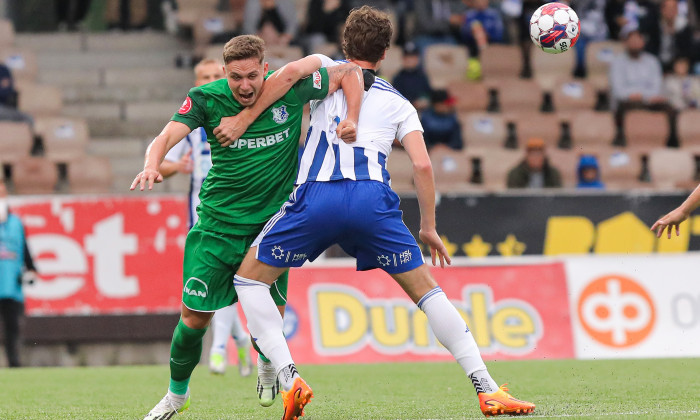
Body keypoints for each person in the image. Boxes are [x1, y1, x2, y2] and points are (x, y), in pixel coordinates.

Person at [218, 6, 535, 419]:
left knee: (248, 279)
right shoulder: (400, 103)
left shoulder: (325, 73)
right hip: (373, 203)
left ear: (344, 43)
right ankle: (486, 387)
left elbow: (288, 75)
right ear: (385, 54)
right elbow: (422, 165)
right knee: (428, 292)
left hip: (317, 197)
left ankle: (289, 375)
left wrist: (243, 118)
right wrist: (429, 227)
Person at [133, 35, 363, 419]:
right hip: (218, 225)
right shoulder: (206, 98)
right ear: (225, 73)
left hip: (272, 227)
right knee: (193, 320)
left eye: (252, 76)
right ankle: (176, 396)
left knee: (269, 313)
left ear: (265, 70)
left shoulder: (292, 90)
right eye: (236, 77)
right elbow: (166, 136)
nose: (244, 86)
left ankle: (268, 364)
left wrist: (352, 117)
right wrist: (152, 163)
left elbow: (351, 72)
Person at [160, 58, 252, 377]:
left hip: (240, 213)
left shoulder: (245, 115)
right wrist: (177, 167)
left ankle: (219, 348)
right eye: (205, 77)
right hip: (202, 218)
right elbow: (160, 162)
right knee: (220, 286)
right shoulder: (189, 125)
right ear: (196, 83)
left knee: (230, 284)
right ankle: (237, 341)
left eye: (217, 75)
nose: (212, 81)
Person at [609, 26, 679, 147]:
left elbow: (657, 86)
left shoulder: (652, 61)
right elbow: (618, 90)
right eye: (632, 40)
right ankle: (623, 141)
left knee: (670, 109)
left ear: (643, 42)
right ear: (626, 43)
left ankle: (671, 143)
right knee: (629, 106)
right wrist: (636, 95)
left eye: (638, 40)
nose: (635, 43)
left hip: (649, 100)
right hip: (627, 101)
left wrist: (644, 96)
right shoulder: (617, 62)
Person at [0, 182, 37, 368]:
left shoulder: (16, 222)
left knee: (12, 328)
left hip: (11, 286)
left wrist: (32, 269)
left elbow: (24, 248)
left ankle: (14, 363)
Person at [392, 41, 432, 112]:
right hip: (403, 111)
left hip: (421, 112)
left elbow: (428, 94)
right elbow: (395, 98)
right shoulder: (398, 77)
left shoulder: (422, 76)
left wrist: (424, 101)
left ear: (417, 59)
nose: (410, 60)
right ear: (403, 59)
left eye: (412, 57)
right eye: (407, 57)